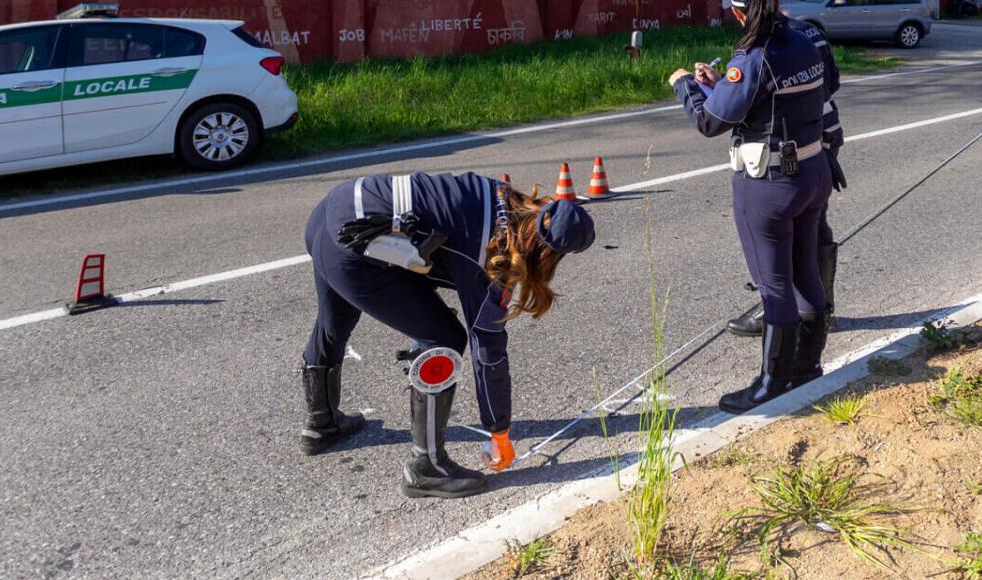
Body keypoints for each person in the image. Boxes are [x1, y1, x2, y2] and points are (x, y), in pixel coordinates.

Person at [300, 172, 595, 498]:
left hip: (331, 211)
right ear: (548, 256)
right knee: (443, 338)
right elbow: (488, 350)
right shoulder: (496, 254)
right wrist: (499, 433)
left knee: (335, 319)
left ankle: (321, 422)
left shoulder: (498, 193)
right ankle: (427, 469)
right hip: (354, 245)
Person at [668, 0, 832, 413]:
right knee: (805, 273)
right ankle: (807, 367)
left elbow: (710, 122)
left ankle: (770, 383)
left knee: (774, 285)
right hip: (813, 170)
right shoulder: (803, 41)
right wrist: (722, 82)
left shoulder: (753, 55)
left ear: (739, 13)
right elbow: (773, 98)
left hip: (769, 184)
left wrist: (686, 84)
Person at [723, 13, 846, 337]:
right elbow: (832, 82)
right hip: (822, 129)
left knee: (790, 230)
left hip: (795, 138)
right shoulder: (808, 32)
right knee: (811, 223)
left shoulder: (772, 39)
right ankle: (819, 310)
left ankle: (783, 310)